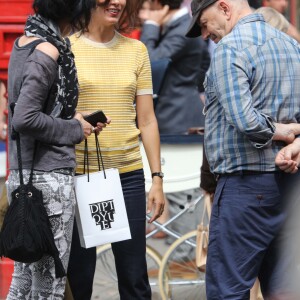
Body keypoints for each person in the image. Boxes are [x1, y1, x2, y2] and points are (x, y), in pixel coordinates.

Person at [186, 0, 300, 298]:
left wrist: (283, 131)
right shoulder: (290, 44)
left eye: (204, 22)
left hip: (246, 185)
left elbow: (244, 119)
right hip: (289, 185)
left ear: (224, 7)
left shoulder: (230, 47)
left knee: (228, 290)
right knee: (283, 290)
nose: (204, 33)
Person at [67, 0, 165, 299]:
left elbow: (147, 120)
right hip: (78, 175)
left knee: (134, 274)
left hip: (128, 176)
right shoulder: (65, 48)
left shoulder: (136, 51)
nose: (117, 3)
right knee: (79, 273)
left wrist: (157, 178)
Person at [5, 0, 98, 298]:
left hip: (24, 175)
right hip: (49, 182)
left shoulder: (24, 43)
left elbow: (31, 107)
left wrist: (75, 119)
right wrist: (74, 129)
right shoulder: (48, 49)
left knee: (22, 282)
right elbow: (25, 117)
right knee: (50, 284)